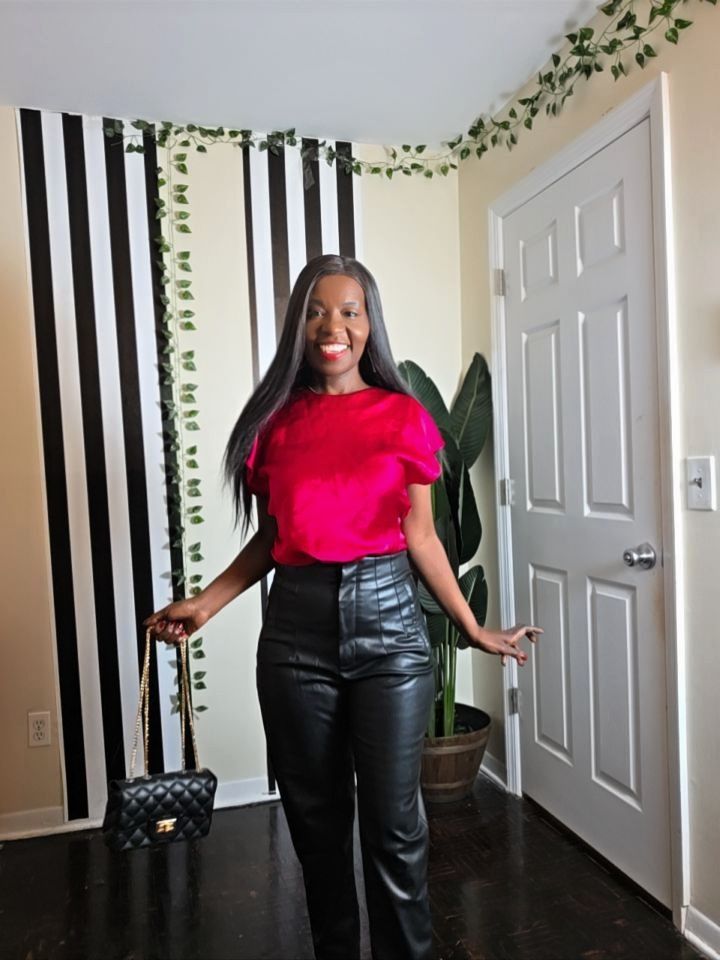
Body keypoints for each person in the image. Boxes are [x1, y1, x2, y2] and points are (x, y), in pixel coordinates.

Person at [144, 254, 541, 960]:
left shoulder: (403, 416)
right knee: (317, 828)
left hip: (390, 631)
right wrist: (207, 605)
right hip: (295, 638)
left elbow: (420, 535)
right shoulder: (274, 423)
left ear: (369, 324)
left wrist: (473, 627)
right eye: (317, 311)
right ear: (300, 326)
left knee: (394, 830)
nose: (334, 325)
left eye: (350, 311)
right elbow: (274, 538)